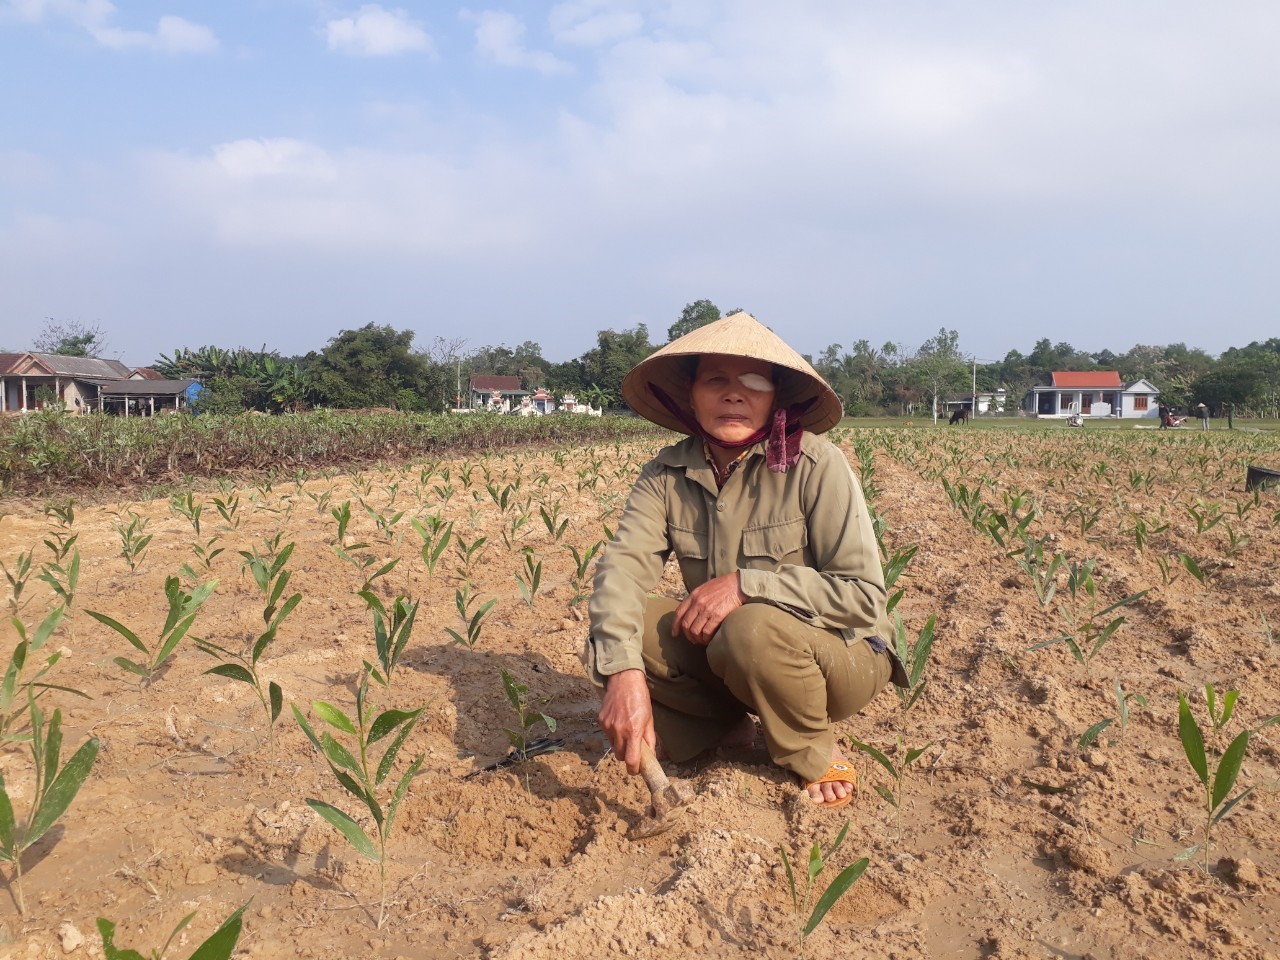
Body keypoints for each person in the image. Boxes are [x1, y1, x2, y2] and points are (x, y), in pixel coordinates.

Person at [585, 311, 907, 809]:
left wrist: (747, 584)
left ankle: (811, 751)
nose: (734, 395)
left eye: (754, 382)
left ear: (776, 398)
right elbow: (622, 570)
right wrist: (623, 674)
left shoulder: (818, 466)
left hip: (841, 656)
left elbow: (863, 599)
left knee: (750, 626)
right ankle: (722, 725)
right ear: (691, 395)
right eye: (716, 380)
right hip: (734, 657)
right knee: (620, 631)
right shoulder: (666, 472)